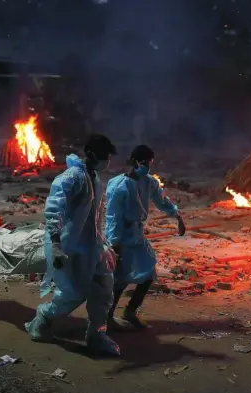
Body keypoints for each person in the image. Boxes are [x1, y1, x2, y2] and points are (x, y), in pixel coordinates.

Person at [24, 134, 120, 356]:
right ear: (92, 154)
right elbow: (53, 212)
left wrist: (103, 243)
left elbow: (95, 217)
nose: (108, 161)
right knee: (73, 294)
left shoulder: (93, 178)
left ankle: (96, 334)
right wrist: (56, 245)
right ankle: (43, 318)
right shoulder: (70, 178)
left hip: (92, 247)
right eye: (106, 156)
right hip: (70, 247)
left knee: (103, 289)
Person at [105, 145, 186, 330]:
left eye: (150, 163)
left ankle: (130, 311)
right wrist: (114, 244)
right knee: (119, 279)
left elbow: (161, 200)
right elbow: (113, 217)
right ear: (134, 162)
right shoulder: (118, 186)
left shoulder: (148, 182)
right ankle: (107, 317)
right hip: (122, 236)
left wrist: (177, 217)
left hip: (137, 235)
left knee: (148, 273)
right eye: (145, 163)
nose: (147, 167)